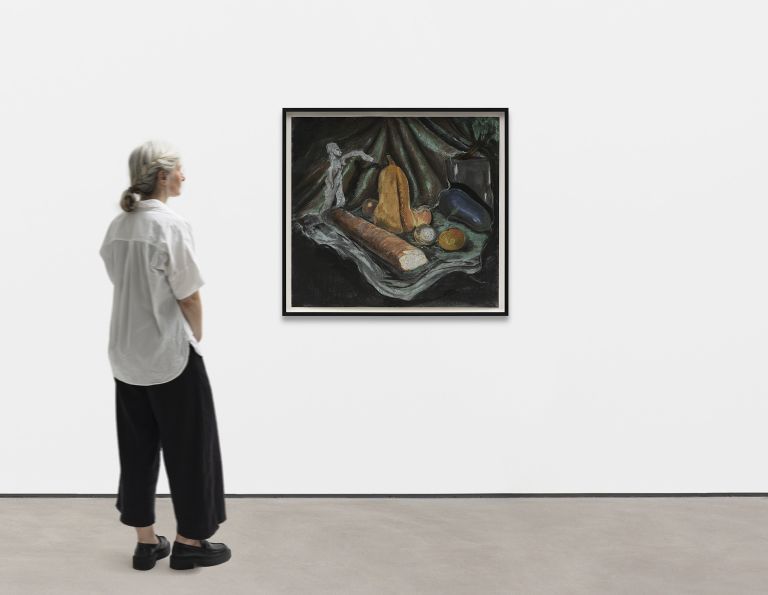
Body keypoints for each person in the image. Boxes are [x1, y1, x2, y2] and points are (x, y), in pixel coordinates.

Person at [99, 140, 230, 571]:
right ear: (161, 176)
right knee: (192, 449)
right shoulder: (170, 225)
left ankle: (145, 543)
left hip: (125, 355)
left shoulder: (119, 226)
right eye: (179, 170)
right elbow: (187, 294)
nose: (184, 177)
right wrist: (198, 333)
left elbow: (123, 282)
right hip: (168, 354)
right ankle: (190, 541)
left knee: (137, 449)